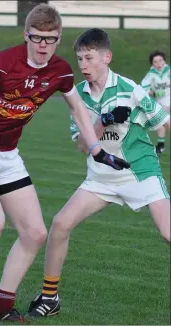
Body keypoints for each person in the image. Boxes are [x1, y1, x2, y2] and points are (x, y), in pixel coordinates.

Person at [0, 5, 131, 325]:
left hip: (8, 156)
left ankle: (1, 307)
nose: (43, 45)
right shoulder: (0, 64)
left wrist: (98, 150)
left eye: (51, 39)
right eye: (37, 38)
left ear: (58, 37)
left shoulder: (59, 71)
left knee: (34, 233)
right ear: (26, 35)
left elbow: (76, 110)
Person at [26, 28, 170, 320]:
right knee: (61, 224)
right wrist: (105, 120)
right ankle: (50, 296)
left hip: (140, 172)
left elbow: (162, 120)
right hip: (101, 176)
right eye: (79, 58)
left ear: (107, 57)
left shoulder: (131, 89)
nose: (83, 65)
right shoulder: (77, 94)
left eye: (89, 58)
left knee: (168, 233)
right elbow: (83, 145)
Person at [141, 50, 170, 154]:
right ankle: (161, 145)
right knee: (161, 123)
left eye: (160, 60)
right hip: (160, 103)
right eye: (155, 62)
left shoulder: (169, 71)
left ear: (164, 61)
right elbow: (143, 88)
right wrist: (154, 93)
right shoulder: (151, 74)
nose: (159, 64)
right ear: (152, 64)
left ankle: (160, 145)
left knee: (165, 122)